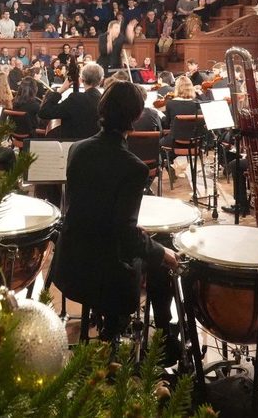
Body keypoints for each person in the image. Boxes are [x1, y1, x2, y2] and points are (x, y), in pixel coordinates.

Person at [49, 81, 180, 357]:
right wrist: (162, 253)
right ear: (135, 117)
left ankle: (112, 323)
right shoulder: (133, 168)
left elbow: (89, 209)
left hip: (70, 263)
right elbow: (126, 237)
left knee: (152, 247)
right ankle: (164, 335)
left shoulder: (78, 149)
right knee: (164, 255)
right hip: (105, 275)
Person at [37, 62, 104, 140]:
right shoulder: (104, 100)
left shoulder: (75, 99)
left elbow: (44, 112)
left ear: (81, 79)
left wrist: (61, 90)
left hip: (73, 147)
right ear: (101, 81)